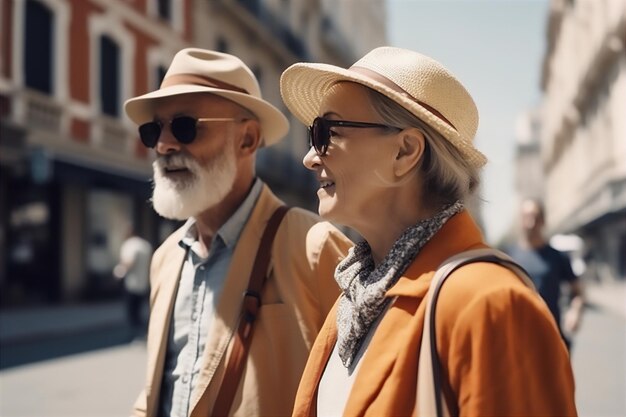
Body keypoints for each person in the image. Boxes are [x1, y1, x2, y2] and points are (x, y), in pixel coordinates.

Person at [280, 46, 577, 416]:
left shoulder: (490, 304)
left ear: (405, 152)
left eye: (327, 132)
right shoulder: (354, 300)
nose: (310, 156)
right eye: (312, 134)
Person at [123, 48, 352, 417]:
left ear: (247, 139)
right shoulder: (165, 258)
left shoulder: (313, 245)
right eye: (153, 130)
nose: (164, 145)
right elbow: (162, 388)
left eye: (185, 127)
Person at [506, 198, 585, 350]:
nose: (531, 223)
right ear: (520, 221)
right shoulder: (508, 257)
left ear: (543, 221)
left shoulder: (557, 257)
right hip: (519, 341)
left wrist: (575, 312)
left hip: (552, 337)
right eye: (527, 217)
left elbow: (578, 292)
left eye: (535, 217)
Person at [114, 227, 153, 338]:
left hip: (132, 283)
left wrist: (118, 273)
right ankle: (143, 332)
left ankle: (135, 334)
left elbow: (128, 261)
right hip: (144, 282)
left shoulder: (130, 245)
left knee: (132, 311)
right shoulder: (145, 245)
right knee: (141, 309)